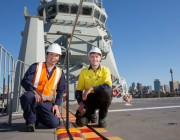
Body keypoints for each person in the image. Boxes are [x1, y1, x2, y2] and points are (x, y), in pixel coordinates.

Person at [20, 43, 65, 132]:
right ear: (47, 55)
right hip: (33, 98)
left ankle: (37, 117)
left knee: (54, 123)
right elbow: (25, 81)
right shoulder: (36, 66)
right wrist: (35, 92)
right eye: (51, 54)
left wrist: (56, 105)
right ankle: (30, 122)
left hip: (46, 103)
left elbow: (60, 91)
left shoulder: (60, 73)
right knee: (26, 96)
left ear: (59, 57)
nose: (53, 57)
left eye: (56, 55)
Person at [75, 47, 112, 128]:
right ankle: (91, 114)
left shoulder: (105, 70)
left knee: (107, 91)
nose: (94, 59)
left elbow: (108, 86)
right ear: (89, 58)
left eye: (97, 56)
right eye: (92, 56)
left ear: (100, 58)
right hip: (89, 100)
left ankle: (102, 118)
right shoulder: (84, 72)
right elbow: (79, 90)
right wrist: (80, 103)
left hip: (101, 99)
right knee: (80, 123)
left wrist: (91, 88)